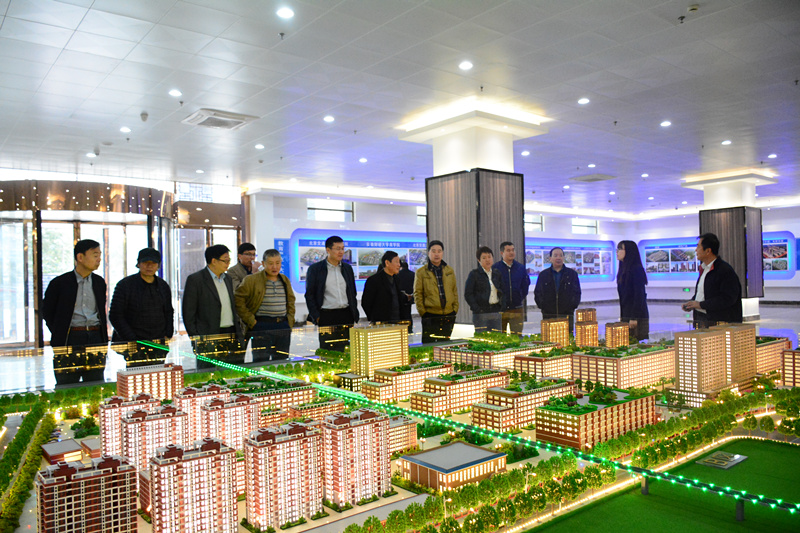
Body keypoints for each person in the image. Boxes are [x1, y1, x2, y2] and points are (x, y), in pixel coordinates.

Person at [42, 239, 108, 385]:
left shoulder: (99, 282)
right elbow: (47, 311)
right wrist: (60, 330)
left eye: (99, 255)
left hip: (95, 337)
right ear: (80, 257)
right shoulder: (59, 283)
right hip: (70, 338)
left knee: (96, 384)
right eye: (95, 255)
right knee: (67, 384)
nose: (99, 259)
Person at [183, 244, 243, 366]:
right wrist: (196, 338)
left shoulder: (228, 279)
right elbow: (188, 312)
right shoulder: (196, 280)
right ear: (214, 261)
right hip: (208, 335)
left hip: (231, 333)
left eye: (229, 260)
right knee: (208, 371)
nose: (228, 263)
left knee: (233, 371)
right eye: (225, 260)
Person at [235, 249, 295, 362]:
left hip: (282, 325)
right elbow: (238, 300)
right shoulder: (251, 280)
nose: (274, 267)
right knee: (261, 361)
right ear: (263, 263)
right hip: (261, 325)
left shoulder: (284, 280)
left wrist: (289, 322)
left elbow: (291, 302)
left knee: (281, 361)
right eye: (270, 263)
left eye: (278, 263)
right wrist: (251, 321)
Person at [304, 236, 359, 351]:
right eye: (338, 248)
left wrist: (354, 313)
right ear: (328, 250)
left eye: (343, 248)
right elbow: (309, 295)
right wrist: (317, 316)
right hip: (327, 316)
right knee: (328, 350)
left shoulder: (347, 268)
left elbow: (352, 292)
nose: (341, 252)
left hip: (346, 315)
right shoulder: (315, 269)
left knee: (347, 350)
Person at [109, 248, 174, 345]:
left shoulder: (163, 285)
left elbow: (168, 311)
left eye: (153, 263)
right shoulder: (125, 285)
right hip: (129, 343)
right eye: (145, 262)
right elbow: (115, 315)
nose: (149, 266)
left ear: (158, 265)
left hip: (158, 342)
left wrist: (168, 334)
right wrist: (132, 339)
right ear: (138, 264)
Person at [681, 233, 742, 328]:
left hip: (718, 322)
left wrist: (701, 305)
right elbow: (704, 293)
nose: (696, 250)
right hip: (701, 318)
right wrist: (692, 303)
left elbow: (728, 298)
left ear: (708, 251)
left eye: (698, 246)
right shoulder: (704, 269)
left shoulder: (724, 270)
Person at [414, 240, 458, 344]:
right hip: (430, 315)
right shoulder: (421, 272)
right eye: (433, 251)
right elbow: (417, 293)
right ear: (428, 253)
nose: (437, 254)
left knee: (445, 345)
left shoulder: (449, 270)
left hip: (448, 314)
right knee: (429, 345)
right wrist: (423, 313)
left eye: (439, 251)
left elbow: (454, 290)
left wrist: (455, 309)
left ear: (443, 253)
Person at [533, 247, 581, 333]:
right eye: (555, 255)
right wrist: (543, 306)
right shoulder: (543, 275)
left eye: (561, 255)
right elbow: (538, 292)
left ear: (564, 258)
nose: (558, 258)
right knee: (549, 337)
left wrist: (572, 306)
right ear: (550, 258)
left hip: (566, 314)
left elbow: (577, 292)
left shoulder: (572, 274)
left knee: (567, 337)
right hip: (548, 314)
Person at [465, 246, 505, 333]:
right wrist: (477, 309)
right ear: (478, 260)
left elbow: (503, 290)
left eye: (489, 257)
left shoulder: (497, 273)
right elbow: (468, 294)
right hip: (481, 313)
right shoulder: (474, 274)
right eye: (484, 258)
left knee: (497, 338)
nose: (487, 260)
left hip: (495, 312)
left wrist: (502, 307)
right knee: (482, 338)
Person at [494, 241, 530, 335]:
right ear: (502, 253)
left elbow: (525, 285)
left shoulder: (520, 268)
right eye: (508, 250)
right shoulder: (495, 268)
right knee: (500, 336)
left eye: (513, 250)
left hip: (517, 308)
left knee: (517, 336)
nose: (511, 252)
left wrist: (519, 297)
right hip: (500, 309)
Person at [616, 240, 649, 341]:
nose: (617, 252)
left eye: (620, 249)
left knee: (636, 341)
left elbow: (639, 295)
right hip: (626, 314)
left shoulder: (636, 270)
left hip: (636, 316)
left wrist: (634, 317)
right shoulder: (623, 270)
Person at [361, 251, 403, 324]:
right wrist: (374, 319)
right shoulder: (374, 280)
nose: (399, 265)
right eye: (396, 262)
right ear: (387, 263)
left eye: (399, 262)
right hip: (380, 323)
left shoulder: (397, 279)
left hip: (397, 322)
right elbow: (366, 303)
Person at [396, 260, 415, 333]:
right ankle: (410, 329)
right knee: (408, 313)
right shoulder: (412, 274)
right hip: (410, 296)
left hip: (401, 297)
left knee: (401, 313)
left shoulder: (398, 274)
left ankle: (402, 328)